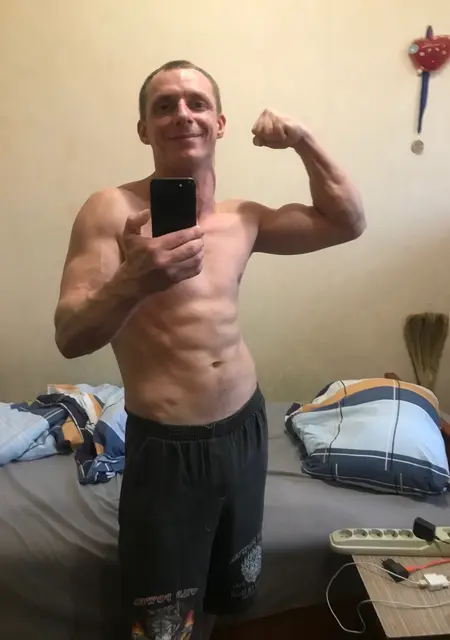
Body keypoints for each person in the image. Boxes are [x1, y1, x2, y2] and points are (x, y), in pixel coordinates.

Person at [54, 59, 365, 640]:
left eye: (196, 103)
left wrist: (303, 140)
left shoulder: (242, 218)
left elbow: (347, 222)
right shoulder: (111, 211)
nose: (182, 115)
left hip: (246, 429)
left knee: (231, 590)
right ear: (143, 129)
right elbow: (70, 337)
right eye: (164, 106)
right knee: (162, 625)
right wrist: (133, 282)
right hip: (168, 449)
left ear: (219, 123)